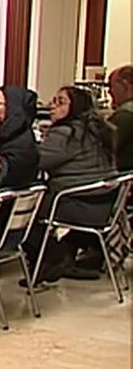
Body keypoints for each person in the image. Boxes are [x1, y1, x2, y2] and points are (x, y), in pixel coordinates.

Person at [26, 86, 118, 282]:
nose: (52, 106)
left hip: (76, 205)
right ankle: (61, 258)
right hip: (104, 205)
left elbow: (38, 161)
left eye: (60, 102)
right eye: (53, 100)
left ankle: (49, 259)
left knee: (23, 209)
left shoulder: (66, 133)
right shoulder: (97, 129)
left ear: (75, 107)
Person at [109, 65, 133, 171]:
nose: (109, 91)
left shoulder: (125, 116)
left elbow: (102, 147)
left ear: (125, 85)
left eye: (111, 86)